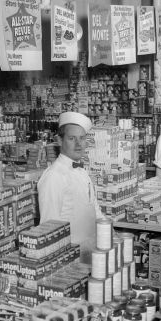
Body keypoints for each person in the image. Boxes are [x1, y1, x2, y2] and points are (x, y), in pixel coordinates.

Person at [37, 111, 103, 261]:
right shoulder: (53, 177)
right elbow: (49, 228)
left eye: (82, 138)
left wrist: (110, 233)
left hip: (90, 254)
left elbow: (94, 209)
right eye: (72, 138)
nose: (79, 144)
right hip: (69, 259)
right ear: (59, 141)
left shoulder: (82, 172)